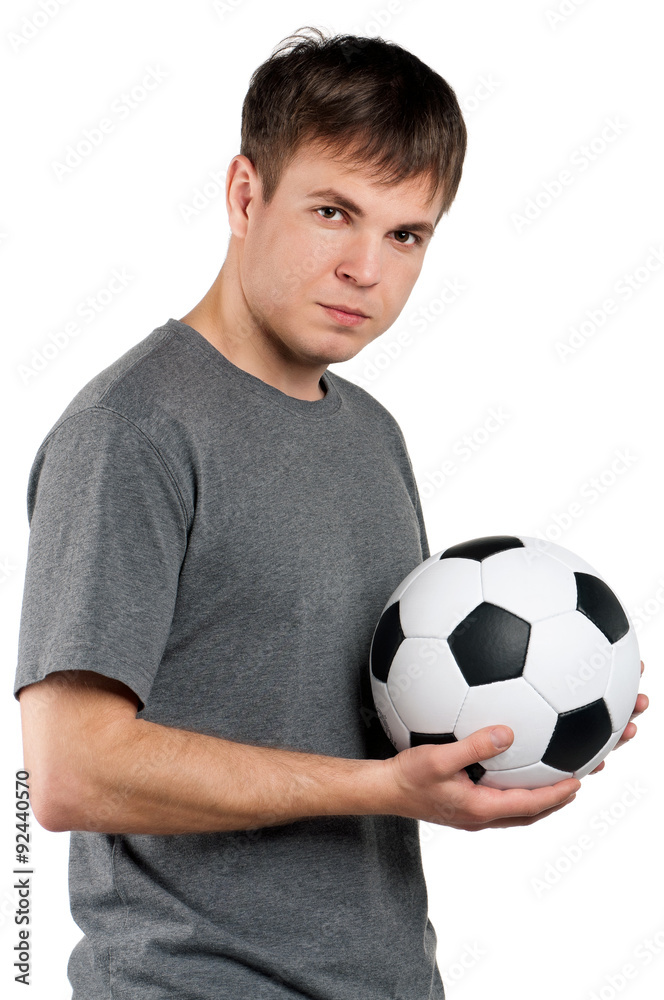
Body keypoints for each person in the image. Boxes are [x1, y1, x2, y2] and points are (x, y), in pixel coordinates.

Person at [14, 26, 647, 1000]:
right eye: (331, 212)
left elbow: (357, 714)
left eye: (405, 234)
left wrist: (516, 729)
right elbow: (69, 772)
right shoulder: (131, 431)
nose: (367, 267)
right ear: (243, 194)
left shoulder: (371, 432)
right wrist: (382, 790)